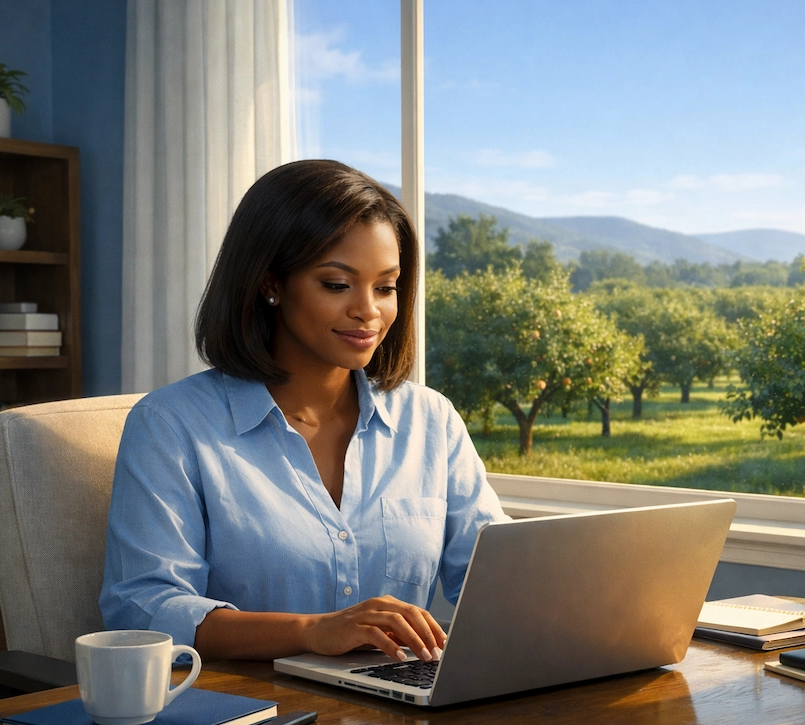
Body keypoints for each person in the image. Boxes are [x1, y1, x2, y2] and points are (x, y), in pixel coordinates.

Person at [100, 160, 508, 665]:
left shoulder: (431, 421)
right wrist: (314, 630)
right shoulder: (170, 425)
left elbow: (498, 576)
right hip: (245, 717)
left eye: (385, 287)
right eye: (337, 285)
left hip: (399, 712)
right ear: (270, 283)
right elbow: (143, 609)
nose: (369, 310)